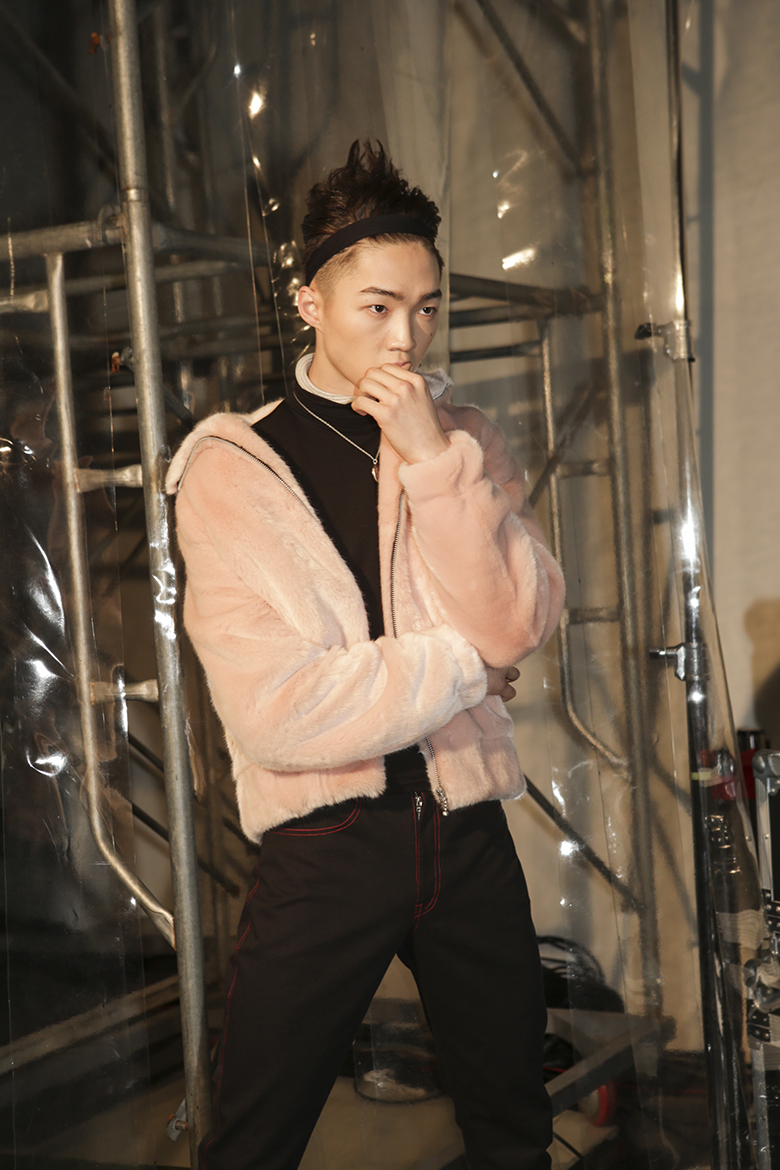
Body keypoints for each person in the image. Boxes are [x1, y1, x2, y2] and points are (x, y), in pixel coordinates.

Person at [166, 140, 565, 1170]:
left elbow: (520, 620)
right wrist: (466, 672)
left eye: (427, 308)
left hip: (466, 832)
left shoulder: (462, 437)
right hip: (327, 843)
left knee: (515, 1131)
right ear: (310, 303)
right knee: (252, 1140)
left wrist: (434, 462)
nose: (406, 337)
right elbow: (280, 711)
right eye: (377, 306)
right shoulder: (231, 469)